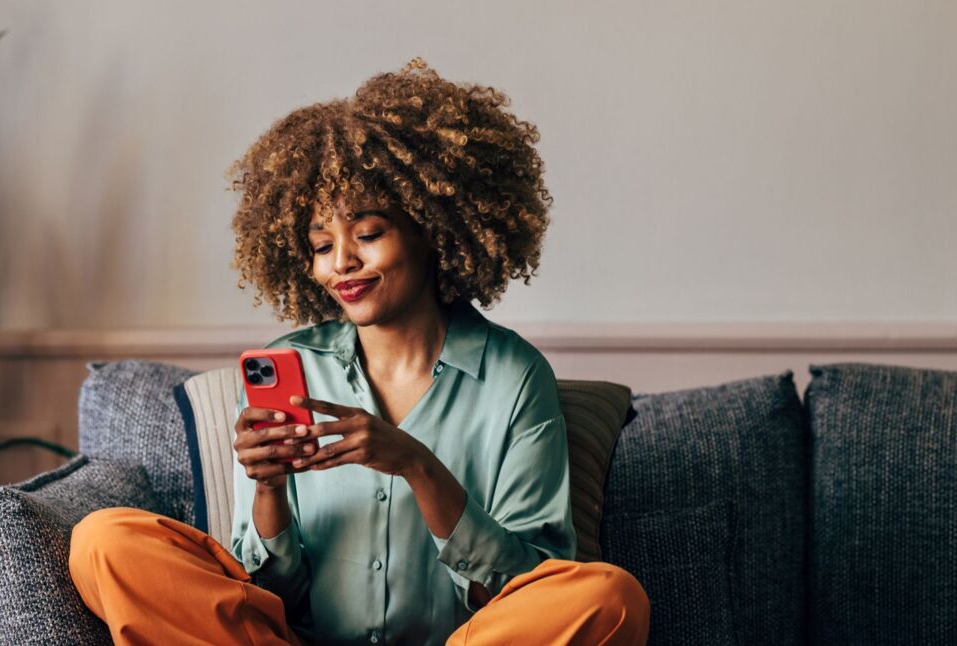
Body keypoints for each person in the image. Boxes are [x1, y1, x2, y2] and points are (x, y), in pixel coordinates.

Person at [68, 57, 649, 645]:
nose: (341, 263)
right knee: (105, 540)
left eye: (367, 235)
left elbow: (528, 590)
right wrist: (268, 489)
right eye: (322, 245)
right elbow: (267, 597)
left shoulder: (513, 378)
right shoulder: (292, 367)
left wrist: (417, 466)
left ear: (433, 228)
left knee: (607, 598)